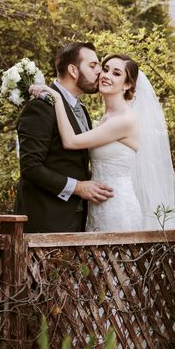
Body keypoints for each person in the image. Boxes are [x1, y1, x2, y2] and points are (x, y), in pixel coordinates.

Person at [32, 54, 175, 231]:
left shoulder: (124, 120)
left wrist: (56, 97)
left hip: (118, 208)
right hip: (97, 206)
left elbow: (71, 141)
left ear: (127, 85)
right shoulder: (103, 119)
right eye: (105, 69)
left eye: (116, 73)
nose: (106, 75)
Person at [14, 42, 114, 233]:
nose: (100, 72)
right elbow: (30, 167)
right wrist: (78, 187)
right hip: (47, 221)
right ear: (73, 71)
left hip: (78, 219)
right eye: (93, 66)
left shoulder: (81, 109)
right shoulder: (40, 107)